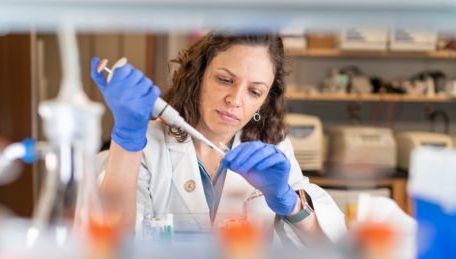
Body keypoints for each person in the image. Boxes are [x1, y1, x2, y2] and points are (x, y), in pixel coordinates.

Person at [91, 32, 346, 246]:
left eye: (254, 91)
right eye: (225, 80)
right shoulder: (146, 144)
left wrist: (288, 202)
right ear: (198, 76)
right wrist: (127, 136)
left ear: (265, 100)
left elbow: (328, 248)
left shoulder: (272, 148)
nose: (235, 99)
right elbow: (113, 240)